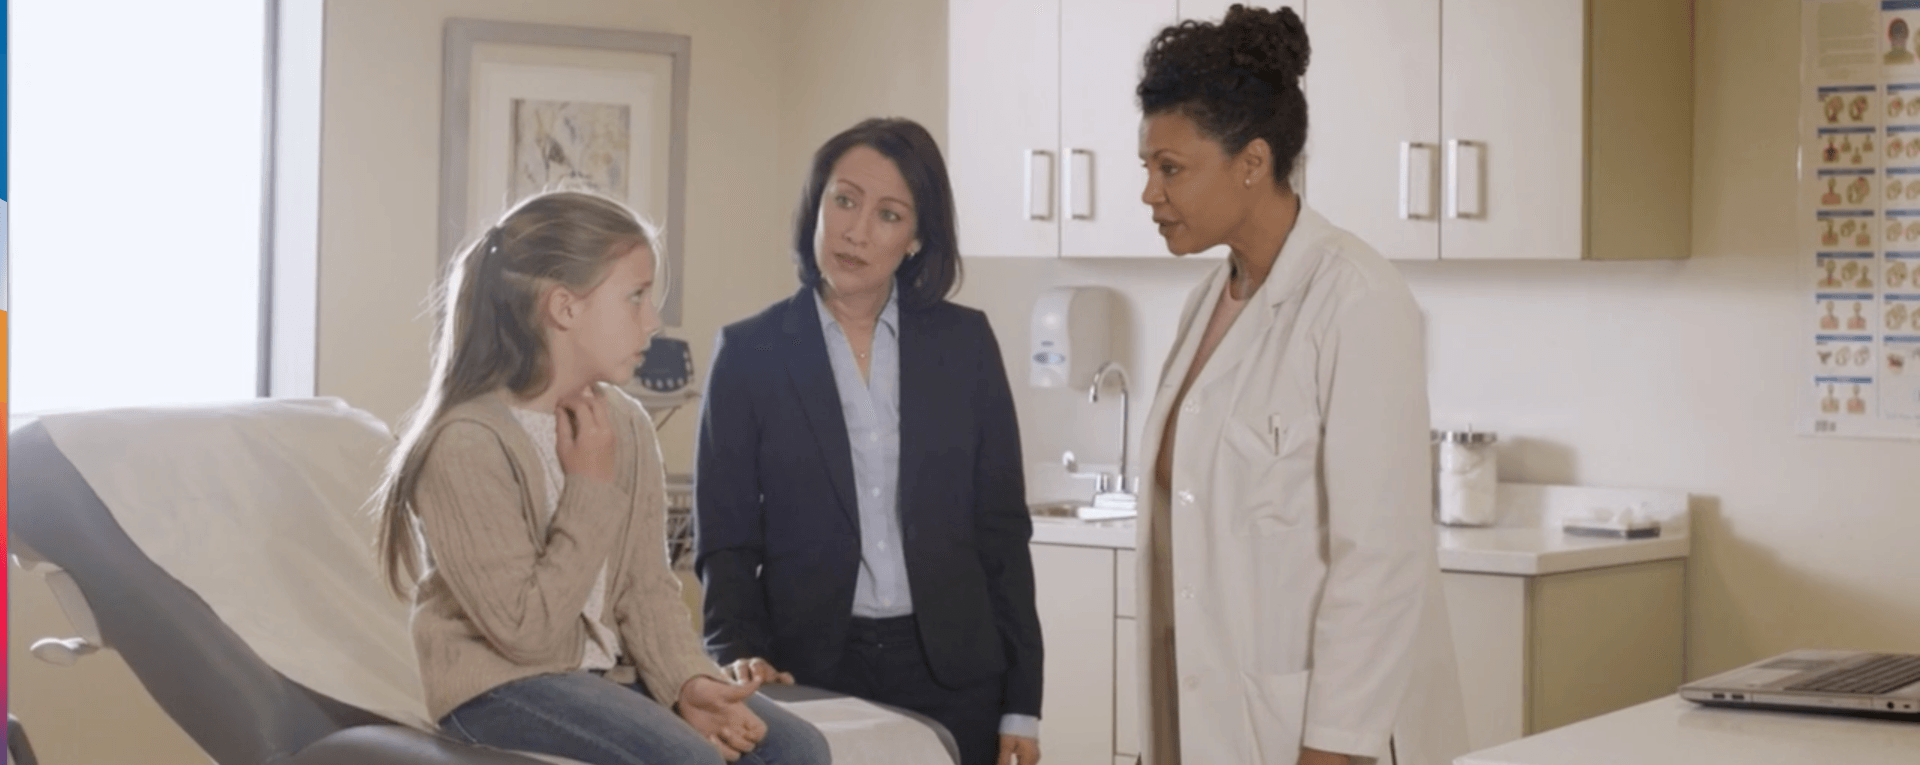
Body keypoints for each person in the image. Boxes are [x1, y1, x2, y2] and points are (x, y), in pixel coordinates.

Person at [370, 190, 831, 765]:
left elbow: (646, 587)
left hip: (604, 676)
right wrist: (588, 485)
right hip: (499, 687)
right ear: (565, 309)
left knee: (799, 751)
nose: (653, 319)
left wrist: (686, 682)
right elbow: (525, 636)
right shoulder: (466, 442)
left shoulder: (625, 423)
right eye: (635, 297)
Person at [1129, 6, 1468, 765]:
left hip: (1317, 736)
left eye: (1171, 168)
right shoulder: (1203, 306)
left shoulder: (1357, 299)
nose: (1149, 192)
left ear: (1252, 161)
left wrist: (1331, 751)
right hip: (1209, 721)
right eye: (1146, 167)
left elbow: (1379, 562)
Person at [694, 117, 1044, 765]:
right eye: (844, 199)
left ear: (916, 239)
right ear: (816, 205)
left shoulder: (965, 345)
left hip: (957, 675)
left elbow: (1001, 532)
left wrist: (1022, 701)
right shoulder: (749, 352)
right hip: (809, 673)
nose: (856, 230)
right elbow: (727, 540)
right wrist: (738, 651)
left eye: (888, 214)